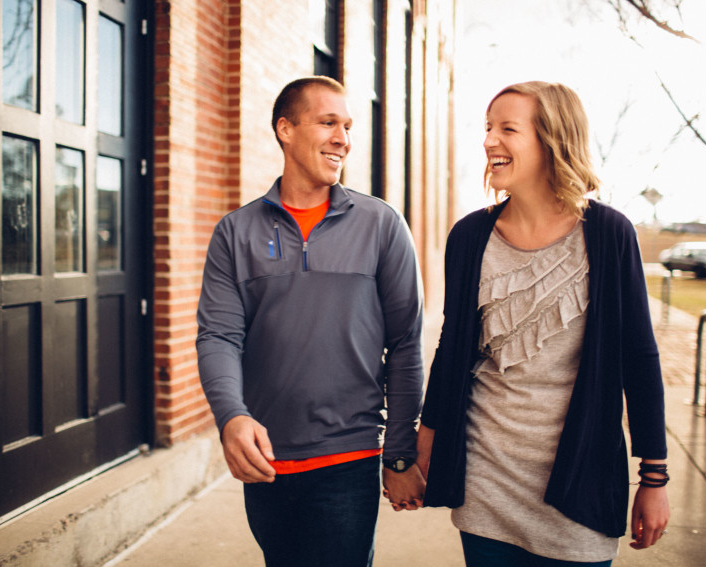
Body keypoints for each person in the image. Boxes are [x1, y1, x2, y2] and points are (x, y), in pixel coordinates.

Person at [416, 81, 670, 566]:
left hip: (581, 476)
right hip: (487, 477)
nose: (490, 140)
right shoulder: (471, 236)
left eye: (507, 129)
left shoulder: (609, 234)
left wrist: (653, 477)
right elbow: (453, 348)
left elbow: (639, 356)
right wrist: (426, 436)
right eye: (488, 128)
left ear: (553, 140)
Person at [195, 76, 426, 567]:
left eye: (347, 126)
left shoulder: (381, 225)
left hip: (349, 459)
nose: (343, 137)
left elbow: (406, 343)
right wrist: (231, 416)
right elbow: (219, 334)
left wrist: (400, 453)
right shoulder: (235, 233)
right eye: (328, 123)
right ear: (285, 129)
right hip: (267, 462)